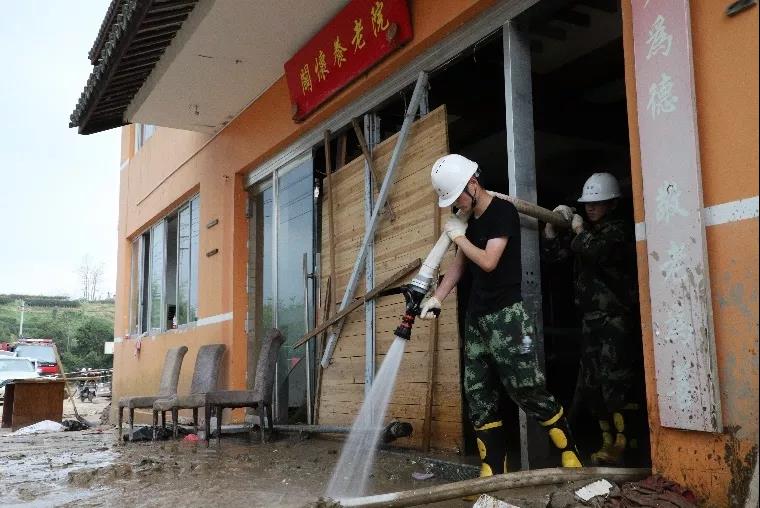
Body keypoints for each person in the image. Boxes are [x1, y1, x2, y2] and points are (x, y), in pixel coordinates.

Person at [419, 154, 582, 478]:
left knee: (526, 387)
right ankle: (492, 468)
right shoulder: (468, 221)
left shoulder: (502, 213)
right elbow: (460, 264)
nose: (456, 205)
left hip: (507, 316)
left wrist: (459, 236)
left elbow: (488, 261)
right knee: (477, 392)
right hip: (476, 319)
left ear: (473, 184)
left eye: (457, 197)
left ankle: (570, 452)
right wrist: (437, 297)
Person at [542, 172, 640, 465]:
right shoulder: (585, 234)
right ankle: (607, 441)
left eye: (598, 203)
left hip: (615, 319)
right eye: (588, 204)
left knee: (616, 381)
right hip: (590, 320)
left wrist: (578, 229)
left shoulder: (618, 231)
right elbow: (556, 257)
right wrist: (551, 228)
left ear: (612, 204)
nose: (591, 208)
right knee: (592, 384)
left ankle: (626, 443)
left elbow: (594, 250)